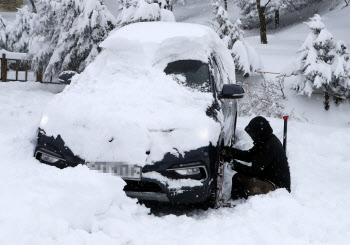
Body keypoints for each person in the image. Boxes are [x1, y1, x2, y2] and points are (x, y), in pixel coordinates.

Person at [224, 116, 291, 200]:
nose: (252, 137)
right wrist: (230, 151)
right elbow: (249, 156)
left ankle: (253, 207)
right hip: (265, 177)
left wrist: (233, 164)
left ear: (259, 132)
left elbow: (254, 171)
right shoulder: (263, 141)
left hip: (278, 186)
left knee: (252, 186)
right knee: (238, 178)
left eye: (253, 134)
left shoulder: (271, 145)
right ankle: (236, 202)